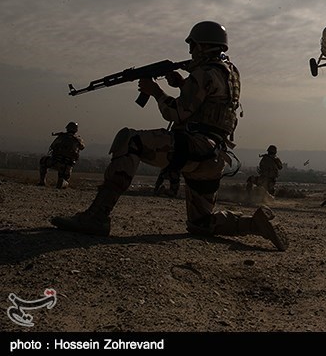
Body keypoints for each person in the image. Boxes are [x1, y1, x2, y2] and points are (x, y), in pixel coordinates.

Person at [50, 21, 288, 251]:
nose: (190, 51)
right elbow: (208, 102)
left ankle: (96, 216)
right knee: (200, 223)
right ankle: (254, 224)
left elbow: (176, 113)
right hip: (214, 157)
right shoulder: (229, 72)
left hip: (192, 147)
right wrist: (183, 84)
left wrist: (156, 91)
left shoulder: (203, 73)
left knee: (129, 139)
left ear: (203, 45)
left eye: (192, 45)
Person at [39, 121, 85, 189]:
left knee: (43, 161)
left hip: (56, 162)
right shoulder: (78, 139)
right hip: (68, 166)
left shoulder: (61, 137)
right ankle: (61, 183)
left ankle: (42, 181)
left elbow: (53, 146)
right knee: (65, 180)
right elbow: (82, 147)